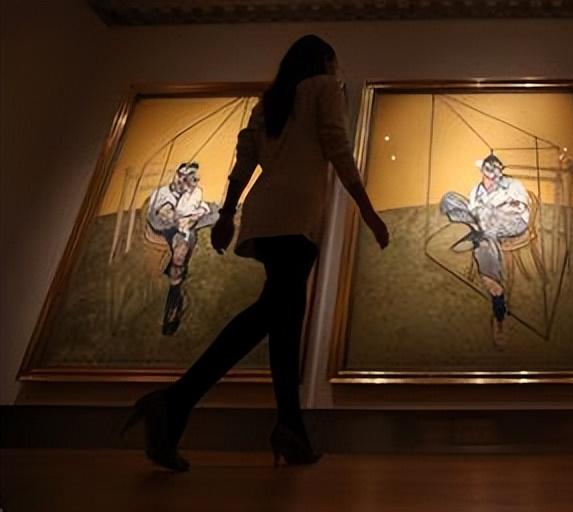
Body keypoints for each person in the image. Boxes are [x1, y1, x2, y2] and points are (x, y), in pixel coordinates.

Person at [122, 35, 389, 472]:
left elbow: (244, 158)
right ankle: (175, 400)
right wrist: (369, 210)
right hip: (297, 217)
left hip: (265, 215)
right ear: (324, 62)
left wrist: (228, 214)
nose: (336, 70)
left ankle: (288, 427)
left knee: (284, 321)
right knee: (274, 312)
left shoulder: (270, 102)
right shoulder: (323, 88)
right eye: (334, 63)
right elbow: (338, 146)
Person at [440, 154, 529, 348]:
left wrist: (496, 210)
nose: (492, 176)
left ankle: (499, 312)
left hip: (510, 222)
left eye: (496, 171)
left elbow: (521, 209)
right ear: (482, 171)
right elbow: (472, 209)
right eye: (488, 171)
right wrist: (478, 216)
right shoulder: (476, 190)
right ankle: (478, 232)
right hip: (484, 224)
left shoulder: (512, 184)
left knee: (484, 222)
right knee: (449, 199)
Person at [145, 162, 219, 335]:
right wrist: (187, 219)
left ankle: (175, 300)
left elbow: (202, 210)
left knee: (215, 213)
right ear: (176, 174)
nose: (183, 181)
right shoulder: (163, 193)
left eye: (188, 178)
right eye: (181, 176)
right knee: (181, 250)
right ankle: (172, 306)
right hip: (167, 227)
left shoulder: (193, 193)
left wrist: (196, 214)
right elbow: (165, 215)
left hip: (185, 225)